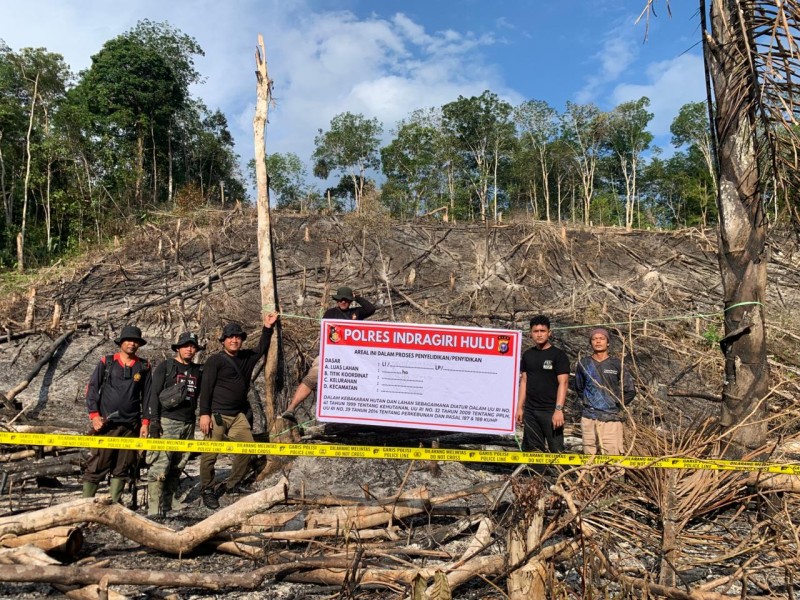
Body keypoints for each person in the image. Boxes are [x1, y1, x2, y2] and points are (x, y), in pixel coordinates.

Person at [198, 312, 279, 509]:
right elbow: (206, 388)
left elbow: (261, 348)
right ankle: (207, 490)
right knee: (210, 454)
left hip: (237, 415)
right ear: (223, 341)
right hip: (217, 415)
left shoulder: (246, 358)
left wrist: (267, 327)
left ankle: (233, 484)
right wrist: (204, 414)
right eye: (230, 337)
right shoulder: (215, 360)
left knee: (247, 447)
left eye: (238, 337)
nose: (234, 340)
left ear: (241, 340)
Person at [282, 286, 375, 420]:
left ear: (350, 301)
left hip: (351, 356)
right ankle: (291, 408)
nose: (343, 302)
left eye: (346, 300)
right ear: (337, 300)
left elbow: (371, 309)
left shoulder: (356, 313)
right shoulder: (330, 313)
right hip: (330, 354)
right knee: (312, 377)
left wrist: (357, 298)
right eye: (340, 299)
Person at [82, 325, 152, 502]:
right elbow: (92, 389)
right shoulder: (107, 362)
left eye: (135, 341)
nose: (132, 344)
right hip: (107, 425)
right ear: (121, 342)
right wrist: (94, 416)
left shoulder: (144, 366)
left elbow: (148, 397)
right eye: (128, 340)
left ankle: (113, 506)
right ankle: (84, 505)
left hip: (131, 426)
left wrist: (145, 423)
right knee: (97, 466)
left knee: (123, 468)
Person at [144, 331, 205, 518]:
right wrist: (154, 421)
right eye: (185, 346)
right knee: (160, 464)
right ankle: (154, 506)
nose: (189, 349)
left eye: (192, 346)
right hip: (167, 421)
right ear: (178, 348)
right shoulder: (166, 366)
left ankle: (169, 500)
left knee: (179, 464)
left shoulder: (198, 371)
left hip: (188, 423)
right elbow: (154, 394)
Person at [575, 328, 635, 456]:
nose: (598, 341)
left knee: (612, 456)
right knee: (589, 456)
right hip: (589, 418)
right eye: (594, 339)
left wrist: (616, 405)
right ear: (590, 342)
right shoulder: (583, 363)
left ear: (607, 342)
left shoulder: (617, 364)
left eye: (601, 339)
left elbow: (630, 390)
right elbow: (579, 388)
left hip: (611, 419)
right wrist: (589, 403)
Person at [516, 315, 570, 458]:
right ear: (530, 333)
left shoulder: (558, 355)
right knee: (534, 452)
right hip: (531, 411)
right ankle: (537, 474)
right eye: (536, 331)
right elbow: (524, 381)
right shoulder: (528, 355)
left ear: (549, 333)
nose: (539, 334)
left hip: (550, 411)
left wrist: (558, 409)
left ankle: (561, 474)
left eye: (542, 331)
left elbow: (563, 383)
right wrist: (520, 407)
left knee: (557, 452)